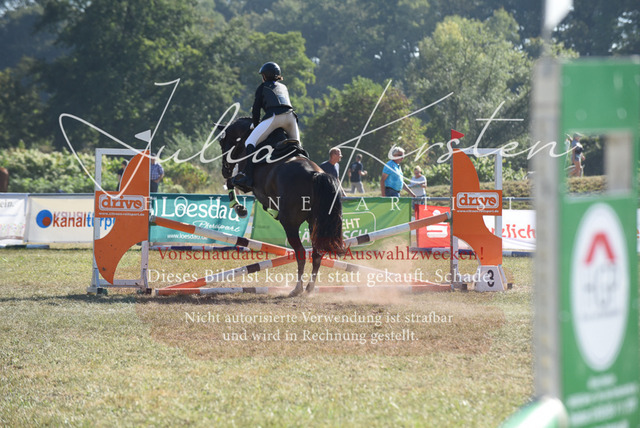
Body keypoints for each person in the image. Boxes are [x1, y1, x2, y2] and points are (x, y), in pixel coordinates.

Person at [233, 62, 300, 190]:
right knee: (298, 147)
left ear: (264, 76)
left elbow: (256, 110)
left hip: (275, 117)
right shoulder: (284, 87)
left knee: (249, 142)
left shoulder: (262, 87)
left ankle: (248, 176)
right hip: (291, 118)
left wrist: (256, 125)